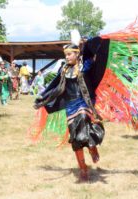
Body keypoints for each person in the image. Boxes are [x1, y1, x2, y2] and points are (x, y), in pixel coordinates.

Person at [34, 43, 105, 181]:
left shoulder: (87, 65)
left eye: (69, 54)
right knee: (75, 138)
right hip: (70, 104)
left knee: (84, 119)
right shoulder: (64, 69)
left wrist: (87, 43)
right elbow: (55, 86)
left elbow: (98, 54)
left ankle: (92, 147)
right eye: (65, 55)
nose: (66, 57)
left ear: (77, 54)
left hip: (84, 101)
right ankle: (83, 168)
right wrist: (43, 98)